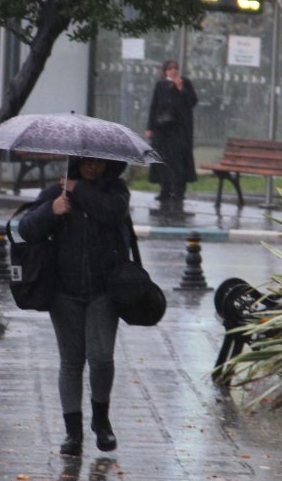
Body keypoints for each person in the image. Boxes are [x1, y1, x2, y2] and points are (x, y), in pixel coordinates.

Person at [18, 156, 131, 456]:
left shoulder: (116, 191)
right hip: (63, 291)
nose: (93, 167)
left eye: (99, 162)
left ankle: (101, 420)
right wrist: (52, 211)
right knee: (71, 362)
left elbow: (112, 213)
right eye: (86, 161)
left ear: (109, 164)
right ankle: (73, 432)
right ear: (76, 161)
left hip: (104, 291)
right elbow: (25, 229)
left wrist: (79, 189)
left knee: (101, 358)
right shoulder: (57, 192)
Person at [144, 59, 198, 204]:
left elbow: (192, 101)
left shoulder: (185, 83)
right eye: (169, 69)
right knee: (162, 159)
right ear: (165, 71)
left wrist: (181, 88)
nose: (173, 71)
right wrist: (150, 127)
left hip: (180, 130)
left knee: (179, 160)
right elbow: (154, 107)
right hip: (162, 129)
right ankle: (165, 189)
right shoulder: (160, 85)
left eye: (175, 68)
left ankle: (179, 191)